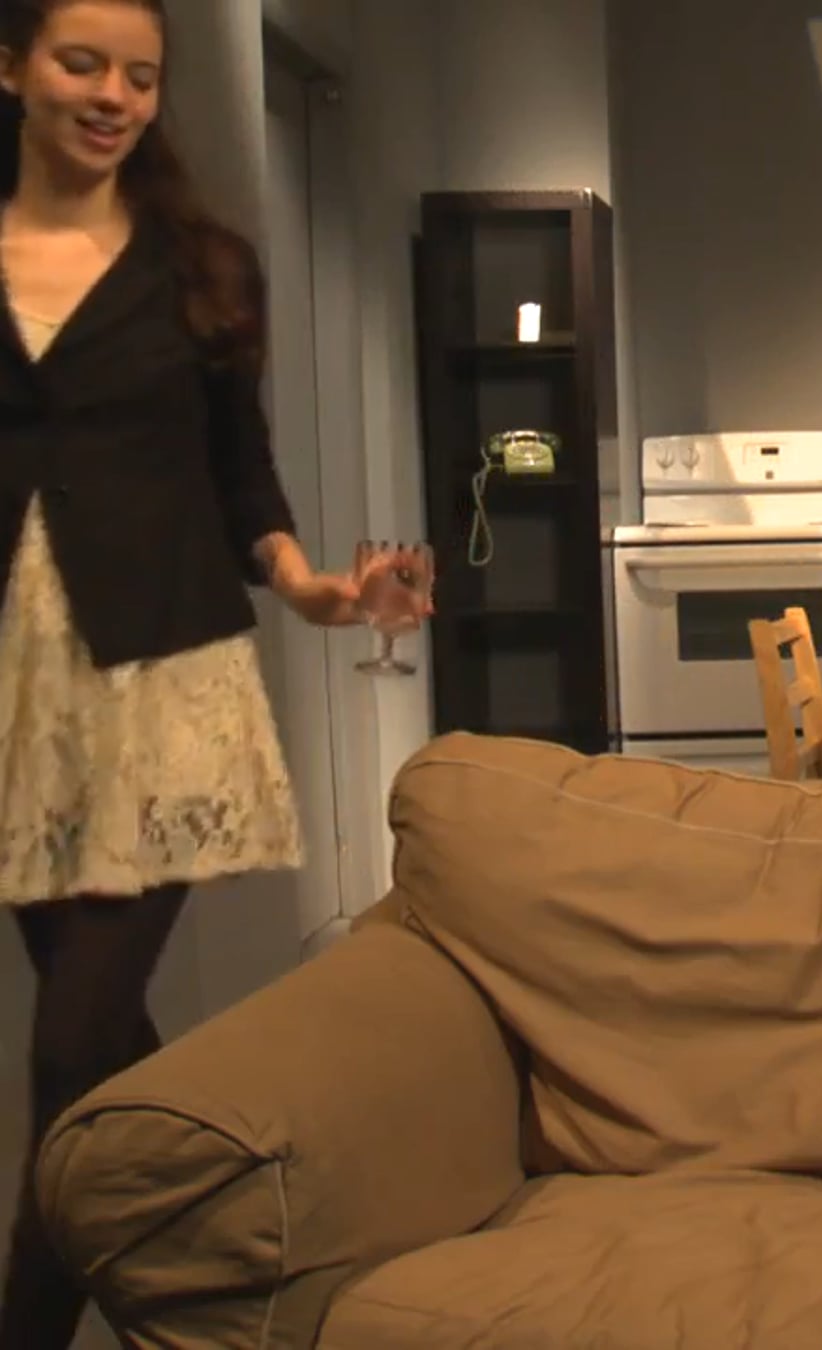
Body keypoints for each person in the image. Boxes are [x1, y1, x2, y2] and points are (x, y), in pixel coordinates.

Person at [0, 2, 407, 1344]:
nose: (113, 95)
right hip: (14, 697)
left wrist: (310, 585)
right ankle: (241, 1230)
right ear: (11, 67)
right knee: (104, 1051)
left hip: (160, 680)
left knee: (70, 1050)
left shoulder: (203, 267)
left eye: (140, 76)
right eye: (82, 63)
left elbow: (243, 472)